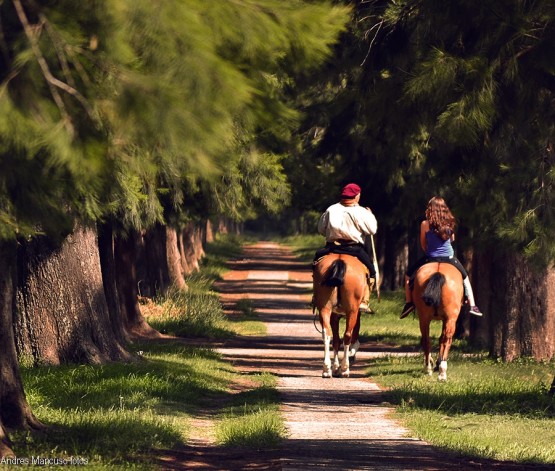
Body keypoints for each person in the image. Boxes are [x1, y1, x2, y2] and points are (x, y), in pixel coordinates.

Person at [400, 196, 482, 319]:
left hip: (431, 257)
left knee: (408, 276)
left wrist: (429, 252)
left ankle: (409, 303)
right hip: (449, 257)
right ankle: (473, 305)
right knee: (465, 278)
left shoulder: (424, 224)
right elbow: (452, 240)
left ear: (431, 209)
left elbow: (423, 243)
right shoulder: (449, 222)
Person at [313, 183, 378, 312]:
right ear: (356, 196)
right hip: (354, 249)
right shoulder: (361, 212)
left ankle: (316, 296)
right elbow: (372, 229)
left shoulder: (331, 209)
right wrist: (370, 215)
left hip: (332, 247)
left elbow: (321, 229)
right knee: (371, 271)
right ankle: (364, 301)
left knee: (316, 263)